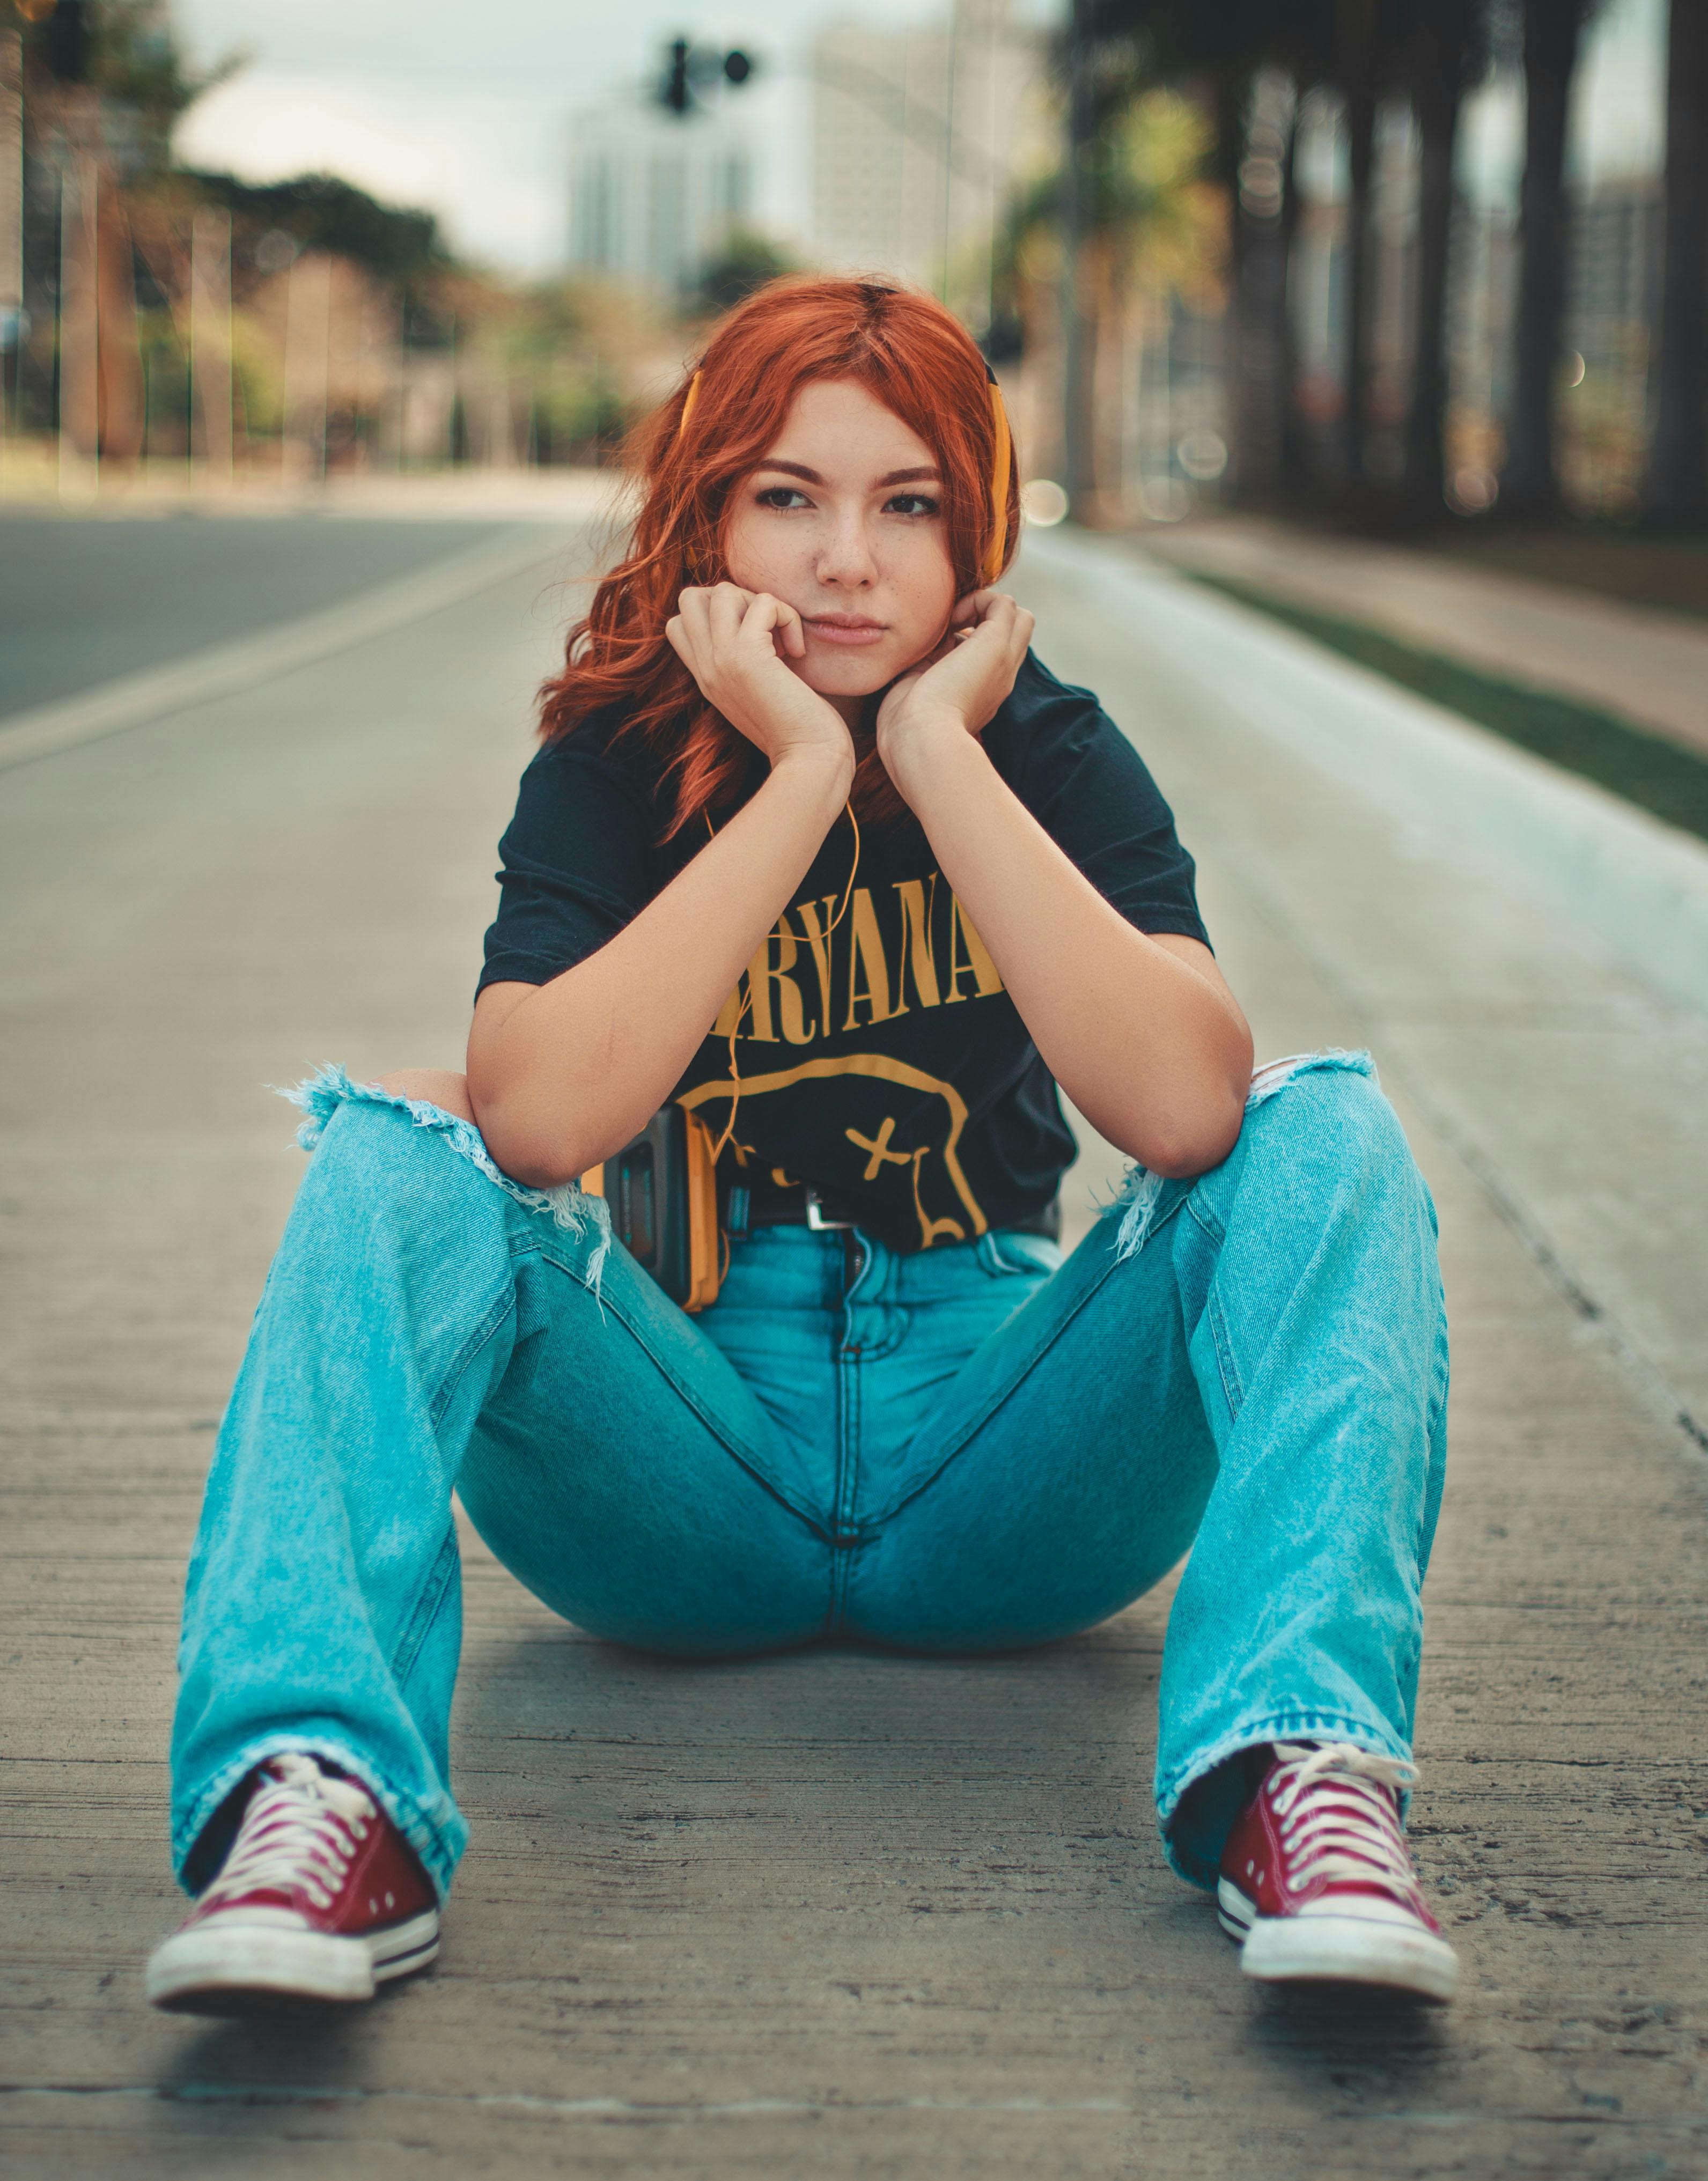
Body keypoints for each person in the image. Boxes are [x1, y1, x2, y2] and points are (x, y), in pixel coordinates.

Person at [146, 278, 1456, 2016]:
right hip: (674, 1471)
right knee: (397, 1140)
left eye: (907, 504)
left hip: (1004, 1465)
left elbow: (1189, 1111)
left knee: (1326, 1124)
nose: (847, 560)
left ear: (972, 539)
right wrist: (794, 783)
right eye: (790, 496)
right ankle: (319, 1802)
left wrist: (931, 748)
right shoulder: (619, 759)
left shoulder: (1045, 747)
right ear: (707, 518)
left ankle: (1303, 1777)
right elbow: (539, 1115)